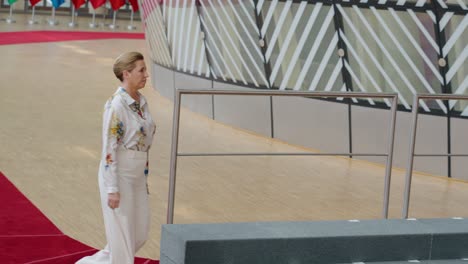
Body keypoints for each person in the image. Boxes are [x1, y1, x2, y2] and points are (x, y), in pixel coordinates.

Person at [77, 51, 156, 264]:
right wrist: (112, 189)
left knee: (138, 235)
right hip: (118, 176)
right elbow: (109, 149)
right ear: (126, 73)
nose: (146, 74)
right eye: (141, 70)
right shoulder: (116, 105)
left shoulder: (142, 102)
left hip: (137, 177)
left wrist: (144, 177)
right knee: (122, 243)